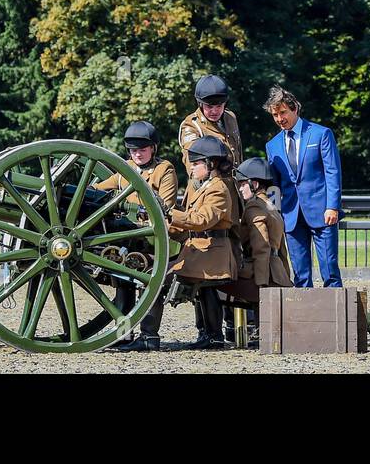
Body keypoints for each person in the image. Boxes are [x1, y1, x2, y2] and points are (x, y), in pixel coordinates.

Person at [97, 121, 178, 352]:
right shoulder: (126, 168)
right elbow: (100, 188)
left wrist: (140, 187)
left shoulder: (165, 170)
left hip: (153, 239)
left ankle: (149, 336)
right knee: (123, 284)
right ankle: (123, 334)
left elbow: (166, 206)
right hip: (128, 238)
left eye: (142, 149)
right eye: (133, 150)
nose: (137, 154)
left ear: (153, 148)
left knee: (149, 285)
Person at [263, 85, 342, 288]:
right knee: (300, 276)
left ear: (295, 109)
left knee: (330, 271)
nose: (280, 119)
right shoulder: (272, 145)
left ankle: (334, 317)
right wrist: (274, 213)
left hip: (323, 212)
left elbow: (332, 172)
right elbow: (274, 183)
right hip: (291, 215)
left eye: (283, 113)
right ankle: (304, 319)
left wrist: (332, 206)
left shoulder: (321, 134)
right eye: (275, 115)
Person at [166, 136, 239, 349]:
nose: (192, 167)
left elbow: (201, 220)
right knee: (202, 292)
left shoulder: (218, 188)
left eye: (196, 163)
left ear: (211, 164)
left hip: (212, 251)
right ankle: (207, 334)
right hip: (201, 249)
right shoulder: (202, 186)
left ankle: (214, 335)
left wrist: (171, 215)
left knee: (204, 289)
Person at [223, 157, 293, 348]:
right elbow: (281, 249)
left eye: (243, 184)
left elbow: (261, 247)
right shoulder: (271, 206)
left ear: (254, 184)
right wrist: (285, 275)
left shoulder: (253, 207)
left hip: (263, 271)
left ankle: (213, 333)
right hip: (276, 271)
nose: (240, 189)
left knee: (214, 287)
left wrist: (261, 284)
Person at [178, 74, 242, 168]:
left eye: (219, 106)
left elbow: (238, 152)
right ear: (200, 104)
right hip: (210, 181)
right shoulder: (191, 126)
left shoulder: (230, 118)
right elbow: (191, 162)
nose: (214, 111)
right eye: (209, 106)